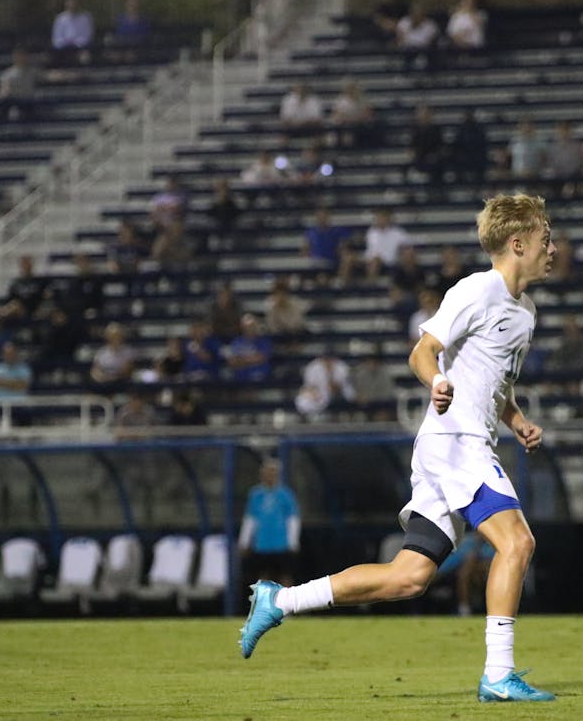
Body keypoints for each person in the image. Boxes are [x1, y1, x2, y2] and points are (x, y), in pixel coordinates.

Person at [240, 194, 557, 703]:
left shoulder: (526, 312)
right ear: (517, 243)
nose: (553, 248)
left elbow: (495, 382)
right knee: (517, 543)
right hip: (455, 441)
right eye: (546, 238)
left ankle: (281, 599)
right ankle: (499, 674)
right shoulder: (477, 290)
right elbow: (422, 351)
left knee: (408, 578)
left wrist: (516, 420)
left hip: (459, 443)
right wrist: (435, 382)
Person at [239, 458, 301, 587]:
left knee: (285, 576)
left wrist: (293, 541)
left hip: (281, 544)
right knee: (263, 576)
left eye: (273, 472)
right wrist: (244, 541)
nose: (270, 475)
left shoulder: (286, 494)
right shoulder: (256, 494)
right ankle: (266, 606)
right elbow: (250, 519)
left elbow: (293, 519)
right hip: (262, 544)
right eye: (267, 472)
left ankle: (287, 606)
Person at [293, 347, 356, 420]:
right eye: (326, 358)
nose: (328, 361)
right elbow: (309, 386)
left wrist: (330, 373)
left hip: (339, 393)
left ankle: (337, 420)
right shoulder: (313, 366)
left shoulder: (341, 367)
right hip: (317, 392)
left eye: (331, 358)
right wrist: (314, 393)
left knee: (337, 398)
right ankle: (305, 421)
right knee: (301, 400)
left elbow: (337, 388)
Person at [0, 48, 39, 123]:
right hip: (14, 101)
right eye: (19, 56)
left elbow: (47, 76)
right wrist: (4, 93)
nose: (21, 58)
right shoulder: (8, 73)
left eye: (23, 55)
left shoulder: (32, 71)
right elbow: (4, 89)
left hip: (28, 101)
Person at [51, 0, 94, 64]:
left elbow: (87, 36)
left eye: (74, 4)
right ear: (66, 5)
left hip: (81, 47)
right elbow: (56, 38)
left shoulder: (85, 18)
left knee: (85, 56)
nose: (72, 6)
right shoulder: (60, 19)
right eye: (70, 4)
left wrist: (75, 43)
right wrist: (65, 43)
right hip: (63, 48)